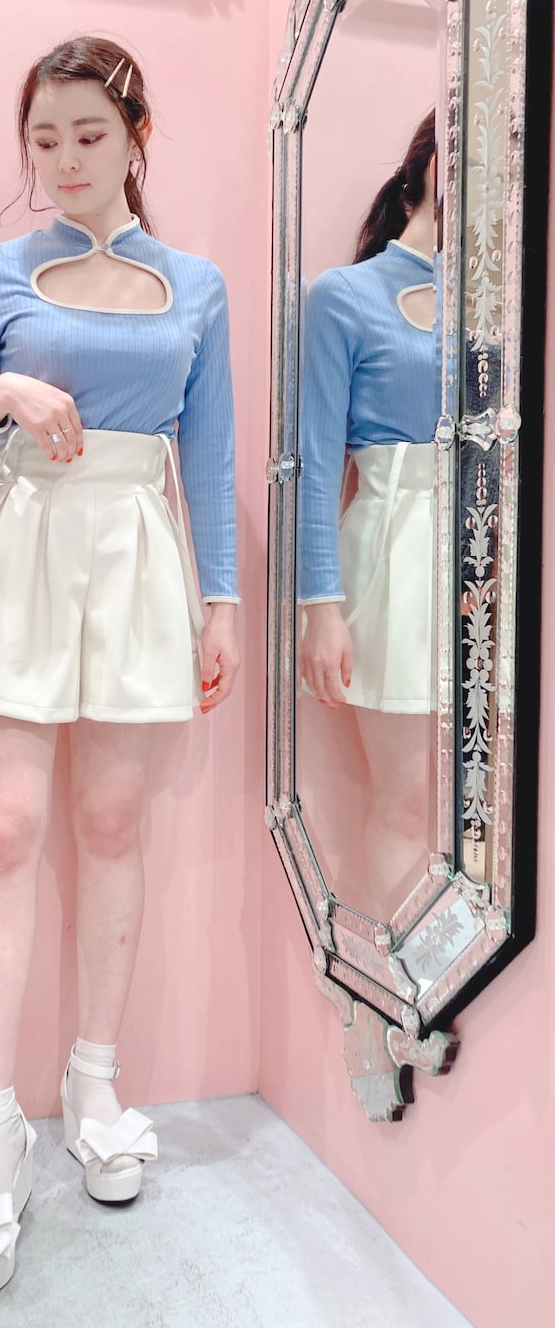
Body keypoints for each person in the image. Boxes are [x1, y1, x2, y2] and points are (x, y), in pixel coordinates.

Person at [0, 37, 239, 1299]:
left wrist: (220, 600)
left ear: (136, 136)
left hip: (136, 558)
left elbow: (207, 453)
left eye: (88, 136)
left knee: (109, 824)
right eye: (43, 140)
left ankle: (94, 1085)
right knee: (2, 830)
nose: (63, 161)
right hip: (21, 550)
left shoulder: (194, 285)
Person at [297, 109, 438, 911]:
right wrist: (322, 606)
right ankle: (399, 977)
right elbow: (316, 462)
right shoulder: (346, 296)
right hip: (393, 551)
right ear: (432, 161)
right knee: (409, 800)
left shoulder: (504, 304)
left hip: (493, 557)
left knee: (491, 815)